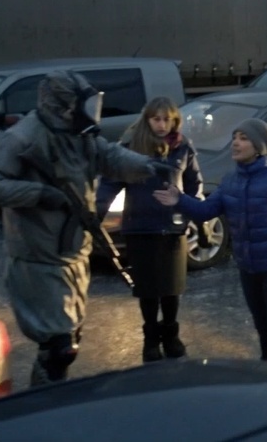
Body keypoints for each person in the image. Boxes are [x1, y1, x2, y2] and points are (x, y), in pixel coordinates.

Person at [0, 71, 163, 386]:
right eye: (83, 105)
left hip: (72, 248)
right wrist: (38, 194)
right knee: (59, 346)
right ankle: (45, 403)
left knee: (70, 335)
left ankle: (48, 395)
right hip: (38, 255)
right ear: (64, 105)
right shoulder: (24, 137)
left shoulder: (76, 133)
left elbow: (107, 155)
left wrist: (148, 167)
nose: (89, 112)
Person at [154, 119, 267, 364]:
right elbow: (206, 211)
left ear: (259, 147)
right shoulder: (230, 180)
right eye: (235, 137)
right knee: (261, 325)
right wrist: (179, 200)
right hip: (248, 268)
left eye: (244, 138)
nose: (236, 143)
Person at [96, 97, 202, 363]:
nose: (162, 125)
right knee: (147, 290)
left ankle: (171, 334)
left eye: (167, 119)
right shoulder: (129, 148)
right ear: (147, 120)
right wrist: (94, 214)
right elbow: (109, 184)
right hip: (140, 228)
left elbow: (193, 184)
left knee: (171, 288)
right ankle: (150, 338)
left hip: (172, 229)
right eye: (157, 119)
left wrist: (191, 214)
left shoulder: (183, 147)